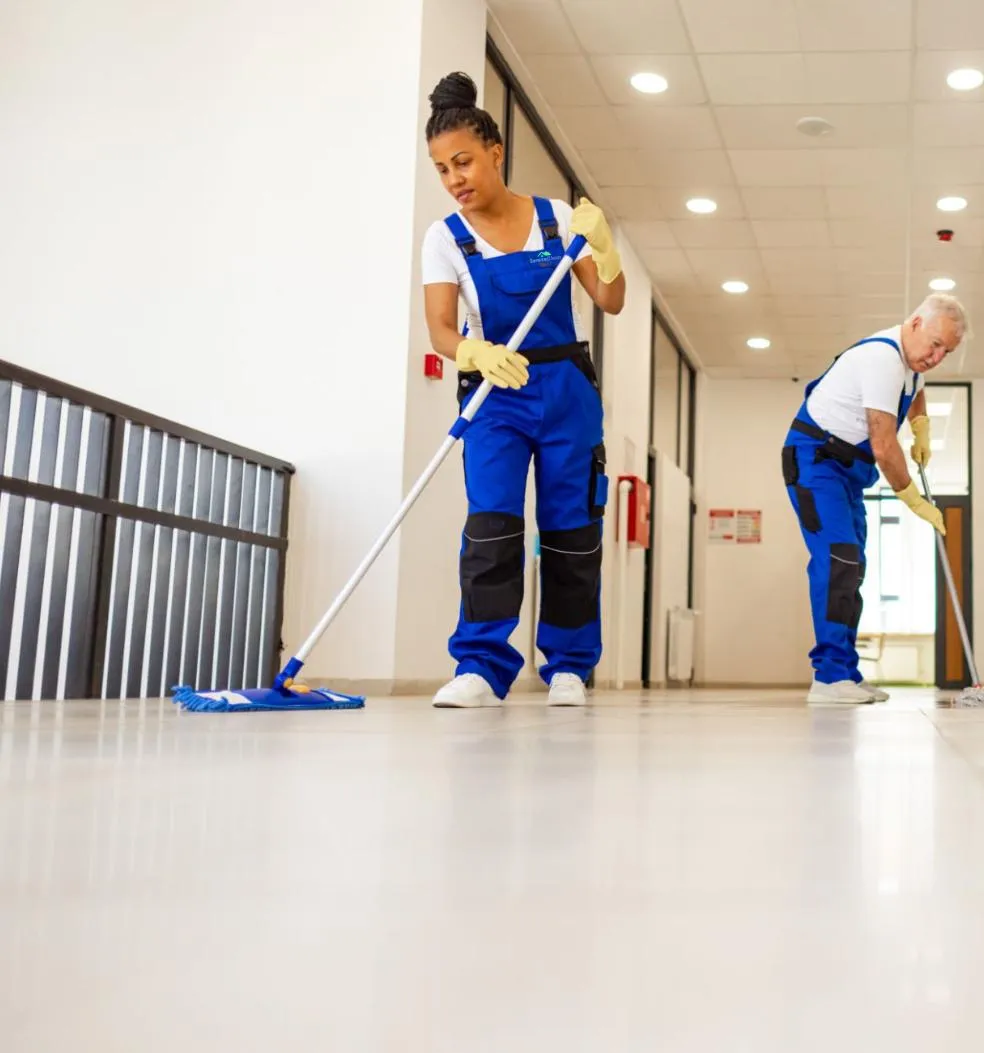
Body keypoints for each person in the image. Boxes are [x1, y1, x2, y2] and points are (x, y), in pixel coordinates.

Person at [420, 72, 626, 708]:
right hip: (494, 395)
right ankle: (481, 665)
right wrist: (473, 350)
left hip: (566, 391)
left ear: (496, 153)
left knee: (571, 529)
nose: (455, 179)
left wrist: (606, 248)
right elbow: (441, 333)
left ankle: (567, 665)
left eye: (464, 162)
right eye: (441, 169)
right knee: (492, 528)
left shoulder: (555, 218)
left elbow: (610, 301)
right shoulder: (443, 237)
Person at [782, 293, 969, 704]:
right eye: (935, 344)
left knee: (854, 565)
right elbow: (884, 446)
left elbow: (914, 385)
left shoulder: (911, 361)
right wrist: (914, 500)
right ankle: (828, 679)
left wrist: (920, 423)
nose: (937, 357)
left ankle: (845, 671)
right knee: (838, 560)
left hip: (847, 469)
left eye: (947, 352)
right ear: (917, 322)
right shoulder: (883, 358)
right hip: (816, 460)